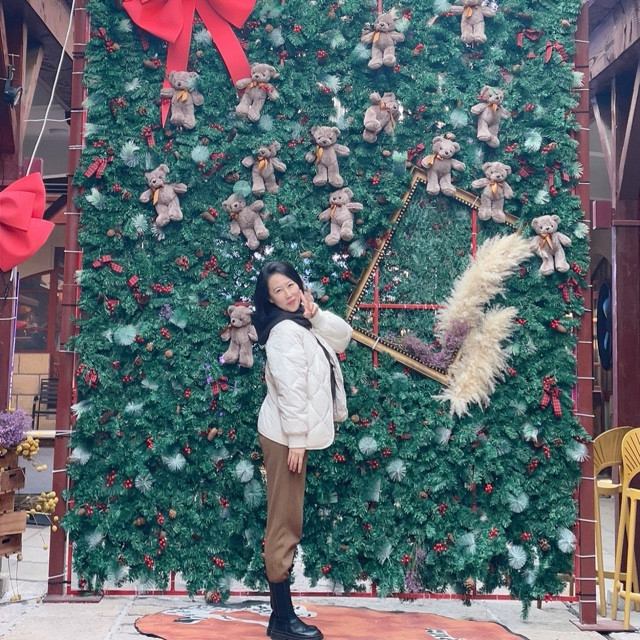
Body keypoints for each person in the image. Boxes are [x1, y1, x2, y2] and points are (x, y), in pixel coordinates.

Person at [252, 261, 352, 640]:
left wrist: (317, 315)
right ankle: (283, 620)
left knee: (287, 519)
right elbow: (290, 389)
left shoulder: (303, 323)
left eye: (291, 285)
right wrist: (296, 438)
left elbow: (343, 339)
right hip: (284, 438)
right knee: (284, 522)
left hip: (290, 435)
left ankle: (280, 618)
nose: (288, 294)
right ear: (270, 300)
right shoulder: (282, 333)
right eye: (278, 291)